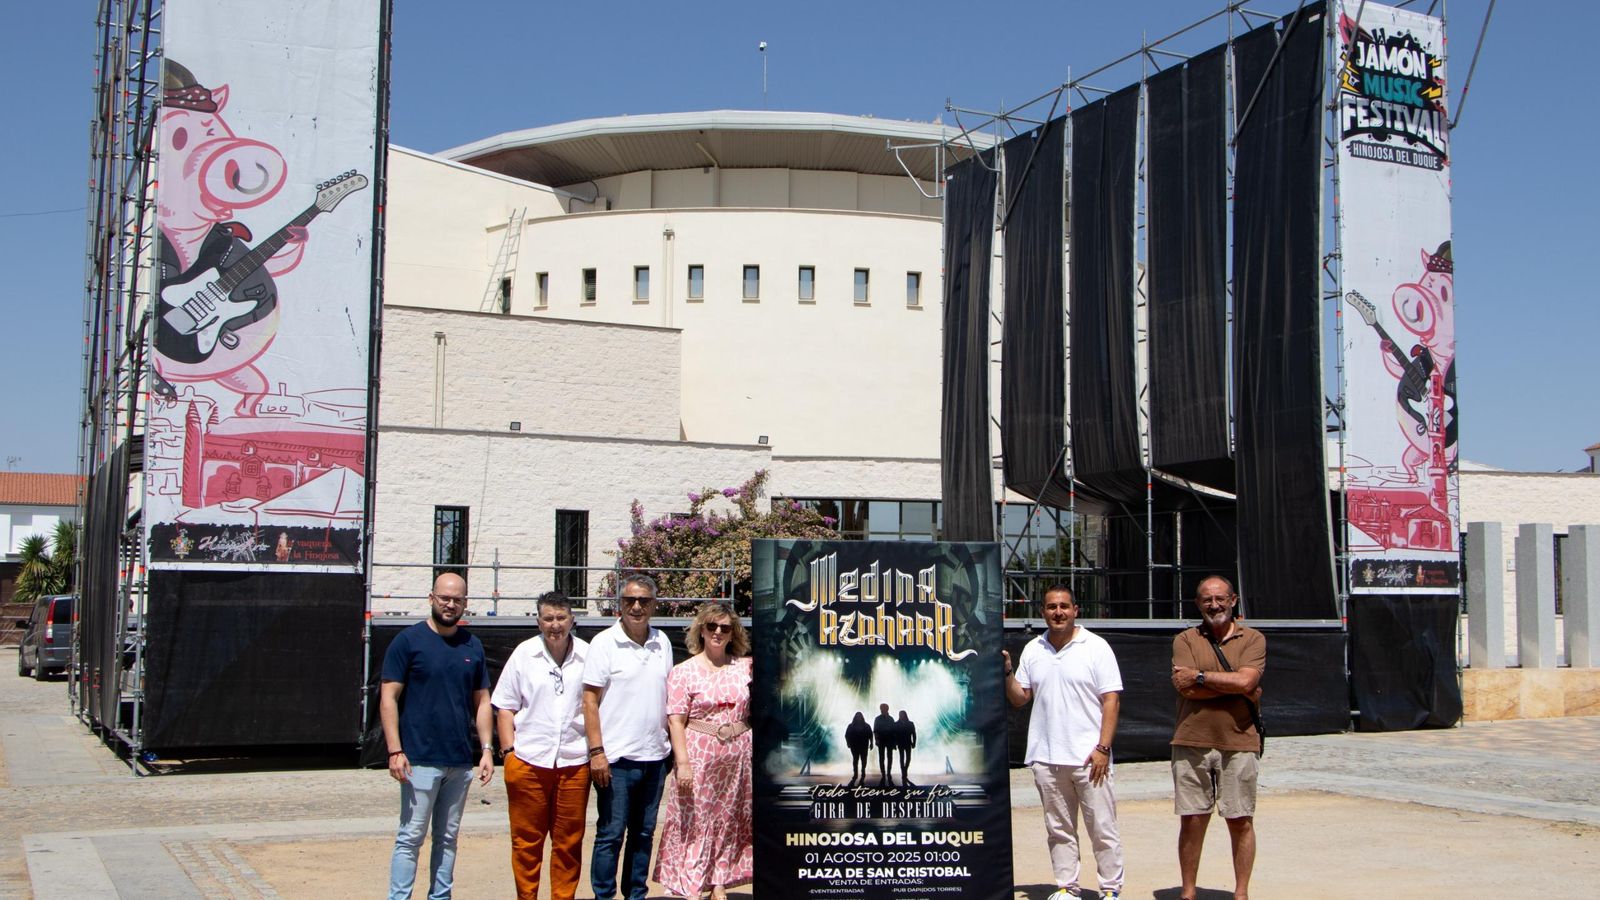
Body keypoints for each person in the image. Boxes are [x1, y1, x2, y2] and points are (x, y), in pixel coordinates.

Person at [1003, 585, 1124, 900]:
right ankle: (1066, 887)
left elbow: (1111, 700)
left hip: (1090, 758)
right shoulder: (1033, 649)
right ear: (1043, 612)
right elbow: (1019, 698)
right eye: (1052, 607)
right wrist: (1006, 674)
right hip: (1046, 758)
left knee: (1103, 830)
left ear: (1076, 610)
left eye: (1064, 606)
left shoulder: (1096, 647)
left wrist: (1103, 748)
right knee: (1059, 830)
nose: (1058, 612)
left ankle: (1110, 890)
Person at [380, 572, 494, 900]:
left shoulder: (471, 645)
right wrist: (394, 750)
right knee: (411, 837)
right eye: (444, 598)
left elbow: (482, 700)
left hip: (459, 761)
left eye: (457, 599)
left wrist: (486, 749)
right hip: (418, 760)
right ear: (431, 598)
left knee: (448, 839)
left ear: (465, 603)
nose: (450, 604)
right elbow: (388, 697)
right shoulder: (408, 641)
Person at [1169, 576, 1266, 900]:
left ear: (1233, 600)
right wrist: (1234, 683)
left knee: (1240, 821)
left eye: (1220, 598)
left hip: (1239, 741)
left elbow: (1246, 682)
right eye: (1207, 600)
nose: (1214, 605)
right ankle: (1188, 893)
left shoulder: (1253, 639)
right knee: (1192, 820)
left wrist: (1200, 676)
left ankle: (1241, 894)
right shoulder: (1185, 639)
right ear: (1198, 604)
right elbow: (1185, 688)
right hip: (1191, 740)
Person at [491, 591, 590, 900]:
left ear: (572, 620)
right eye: (548, 618)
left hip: (574, 762)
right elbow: (505, 706)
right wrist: (508, 754)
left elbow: (598, 706)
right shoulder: (524, 654)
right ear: (538, 621)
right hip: (529, 761)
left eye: (561, 618)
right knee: (526, 843)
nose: (555, 625)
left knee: (568, 842)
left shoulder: (589, 655)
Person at [654, 602, 754, 900]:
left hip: (738, 754)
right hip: (700, 752)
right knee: (697, 819)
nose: (718, 632)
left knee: (729, 818)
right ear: (701, 629)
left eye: (725, 627)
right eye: (712, 626)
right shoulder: (684, 671)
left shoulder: (745, 667)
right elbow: (676, 720)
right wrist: (681, 761)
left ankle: (719, 881)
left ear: (733, 632)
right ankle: (694, 880)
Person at [583, 573, 673, 900]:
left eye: (644, 601)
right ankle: (603, 896)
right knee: (610, 834)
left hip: (654, 760)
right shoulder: (603, 644)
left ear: (653, 605)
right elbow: (589, 700)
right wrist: (596, 752)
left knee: (644, 834)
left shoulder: (661, 642)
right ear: (619, 604)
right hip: (615, 761)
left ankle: (636, 894)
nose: (636, 607)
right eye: (629, 601)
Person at [844, 712, 873, 786]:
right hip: (855, 745)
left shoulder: (866, 726)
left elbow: (870, 735)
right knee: (855, 760)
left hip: (863, 745)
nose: (859, 718)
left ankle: (862, 773)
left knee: (863, 760)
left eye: (859, 716)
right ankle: (856, 774)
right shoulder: (851, 726)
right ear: (855, 717)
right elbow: (847, 735)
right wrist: (848, 743)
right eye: (857, 716)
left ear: (862, 717)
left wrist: (871, 743)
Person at [872, 703, 897, 786]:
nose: (882, 709)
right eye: (882, 708)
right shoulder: (886, 718)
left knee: (887, 758)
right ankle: (885, 774)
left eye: (883, 708)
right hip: (883, 740)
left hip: (887, 740)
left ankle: (887, 773)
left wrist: (894, 741)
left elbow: (894, 731)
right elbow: (875, 730)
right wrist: (876, 739)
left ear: (887, 709)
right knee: (883, 758)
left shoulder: (888, 719)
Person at [893, 710, 917, 786]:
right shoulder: (896, 724)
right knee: (902, 758)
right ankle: (904, 774)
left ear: (905, 715)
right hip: (900, 743)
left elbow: (914, 734)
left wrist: (914, 742)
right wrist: (895, 743)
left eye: (902, 714)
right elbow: (894, 735)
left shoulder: (910, 724)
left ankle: (904, 772)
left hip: (908, 743)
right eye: (900, 714)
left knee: (908, 758)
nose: (901, 716)